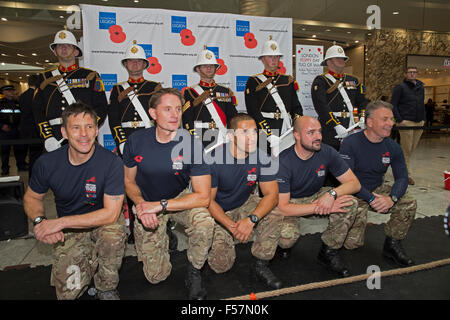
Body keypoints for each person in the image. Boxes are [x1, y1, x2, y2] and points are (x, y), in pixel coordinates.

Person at [23, 102, 127, 300]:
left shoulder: (112, 162)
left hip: (102, 223)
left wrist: (59, 223)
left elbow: (111, 213)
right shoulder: (47, 163)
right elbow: (32, 197)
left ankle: (106, 286)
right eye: (76, 127)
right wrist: (40, 221)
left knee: (113, 235)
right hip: (71, 230)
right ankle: (85, 262)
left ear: (97, 130)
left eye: (89, 127)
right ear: (64, 132)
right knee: (68, 294)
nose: (84, 134)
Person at [123, 87, 214, 300]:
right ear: (153, 113)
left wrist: (161, 205)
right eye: (167, 109)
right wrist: (141, 204)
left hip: (177, 198)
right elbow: (128, 180)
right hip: (146, 201)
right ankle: (164, 235)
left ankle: (194, 271)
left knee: (204, 222)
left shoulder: (191, 144)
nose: (175, 115)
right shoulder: (136, 141)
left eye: (177, 109)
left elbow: (203, 196)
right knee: (157, 277)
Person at [274, 116, 361, 277]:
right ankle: (281, 248)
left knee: (350, 202)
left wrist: (332, 194)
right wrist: (318, 207)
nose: (318, 137)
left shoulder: (327, 152)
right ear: (297, 135)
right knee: (286, 239)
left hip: (315, 195)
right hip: (290, 202)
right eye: (311, 132)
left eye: (319, 132)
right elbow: (283, 207)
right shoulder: (283, 162)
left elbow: (354, 184)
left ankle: (328, 251)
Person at [205, 113, 283, 289]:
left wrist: (251, 220)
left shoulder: (262, 157)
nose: (252, 137)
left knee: (275, 212)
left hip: (242, 203)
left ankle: (261, 263)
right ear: (231, 136)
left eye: (255, 132)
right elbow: (208, 202)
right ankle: (212, 242)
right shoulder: (213, 160)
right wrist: (232, 226)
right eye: (245, 132)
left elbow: (272, 195)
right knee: (220, 266)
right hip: (218, 212)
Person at [108, 40, 172, 246]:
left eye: (138, 61)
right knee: (131, 185)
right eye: (130, 61)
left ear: (145, 65)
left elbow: (160, 115)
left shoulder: (155, 87)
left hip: (150, 141)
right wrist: (122, 142)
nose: (134, 65)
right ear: (125, 64)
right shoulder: (118, 89)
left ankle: (164, 227)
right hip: (128, 142)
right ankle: (135, 227)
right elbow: (114, 119)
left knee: (158, 184)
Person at [339, 101, 417, 267]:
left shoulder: (393, 146)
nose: (391, 123)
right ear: (370, 122)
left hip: (376, 189)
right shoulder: (350, 143)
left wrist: (392, 198)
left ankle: (392, 245)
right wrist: (371, 198)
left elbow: (402, 178)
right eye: (385, 119)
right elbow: (347, 181)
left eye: (392, 119)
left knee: (408, 202)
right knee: (352, 245)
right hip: (353, 192)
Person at [33, 30, 108, 153]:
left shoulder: (90, 75)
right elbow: (37, 110)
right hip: (54, 136)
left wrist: (88, 129)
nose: (64, 48)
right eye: (60, 46)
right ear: (54, 51)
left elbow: (101, 107)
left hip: (83, 136)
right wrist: (47, 136)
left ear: (76, 51)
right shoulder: (44, 78)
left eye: (68, 46)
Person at [245, 36, 302, 155]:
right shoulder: (254, 81)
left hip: (286, 129)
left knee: (287, 163)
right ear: (263, 59)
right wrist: (268, 133)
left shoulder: (288, 80)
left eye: (276, 56)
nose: (274, 60)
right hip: (264, 130)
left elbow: (296, 107)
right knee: (265, 166)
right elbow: (253, 110)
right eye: (270, 56)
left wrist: (295, 127)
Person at [311, 44, 368, 151]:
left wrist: (362, 117)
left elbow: (362, 102)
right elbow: (321, 106)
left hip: (351, 125)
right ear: (328, 62)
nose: (341, 60)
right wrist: (335, 125)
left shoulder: (354, 80)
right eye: (337, 58)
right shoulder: (321, 81)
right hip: (330, 128)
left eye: (343, 58)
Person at [183, 46, 237, 150]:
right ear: (198, 69)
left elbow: (232, 117)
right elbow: (187, 118)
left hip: (222, 136)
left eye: (212, 65)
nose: (209, 68)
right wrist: (194, 138)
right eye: (205, 66)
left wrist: (231, 136)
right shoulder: (189, 92)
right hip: (200, 136)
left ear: (216, 69)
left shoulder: (225, 91)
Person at [390, 66, 425, 185]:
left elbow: (421, 103)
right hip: (406, 121)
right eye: (410, 72)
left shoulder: (421, 87)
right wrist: (399, 120)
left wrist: (424, 119)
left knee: (411, 149)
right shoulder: (400, 87)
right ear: (405, 74)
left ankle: (401, 166)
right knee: (406, 149)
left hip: (419, 121)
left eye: (414, 72)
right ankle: (407, 175)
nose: (412, 74)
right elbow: (393, 104)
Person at [19, 75, 44, 178]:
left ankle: (32, 178)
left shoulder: (23, 95)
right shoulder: (37, 95)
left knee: (32, 156)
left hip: (26, 128)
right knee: (37, 156)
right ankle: (36, 179)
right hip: (35, 129)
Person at [0, 84, 27, 175]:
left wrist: (20, 125)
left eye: (11, 91)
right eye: (8, 91)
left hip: (16, 129)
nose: (10, 93)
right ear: (3, 92)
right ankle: (5, 168)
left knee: (19, 149)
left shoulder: (17, 103)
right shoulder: (1, 103)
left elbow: (22, 115)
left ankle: (21, 166)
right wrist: (2, 126)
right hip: (4, 131)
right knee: (5, 151)